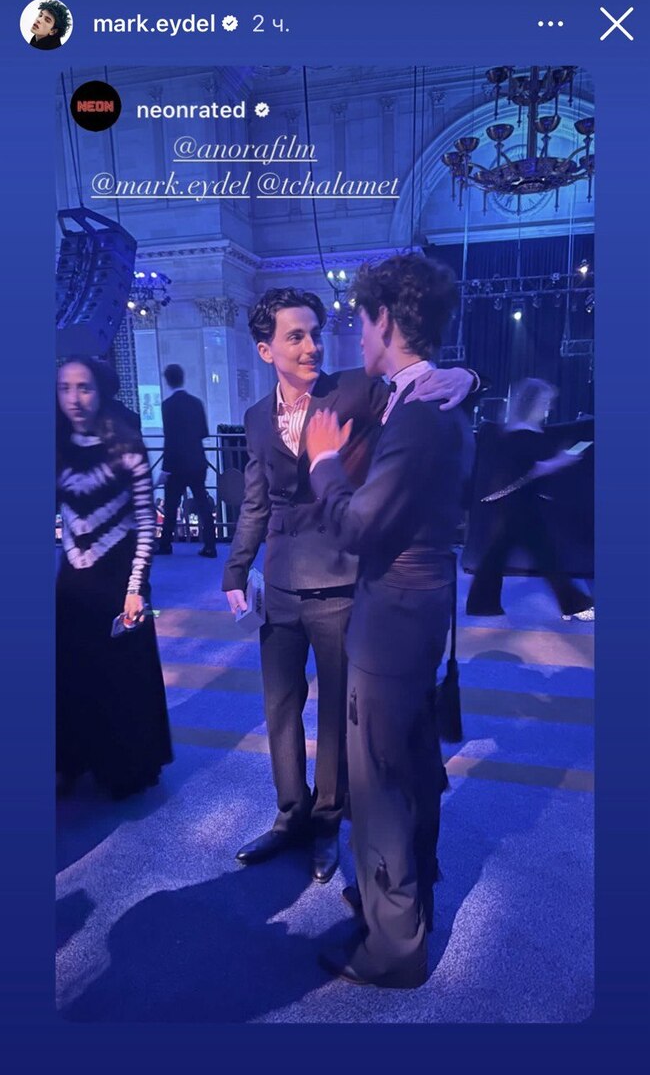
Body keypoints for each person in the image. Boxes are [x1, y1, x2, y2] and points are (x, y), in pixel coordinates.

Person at [222, 285, 479, 885]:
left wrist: (467, 377)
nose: (312, 346)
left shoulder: (355, 389)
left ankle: (327, 821)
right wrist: (236, 568)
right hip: (280, 583)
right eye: (295, 336)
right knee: (280, 708)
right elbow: (256, 503)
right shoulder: (256, 417)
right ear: (266, 350)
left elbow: (416, 391)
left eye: (315, 333)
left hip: (340, 576)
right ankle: (290, 813)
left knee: (337, 713)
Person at [304, 252, 473, 988]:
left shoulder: (420, 414)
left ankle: (395, 944)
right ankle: (401, 897)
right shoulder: (435, 399)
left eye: (360, 321)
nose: (356, 336)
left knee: (378, 780)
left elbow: (359, 526)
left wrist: (322, 464)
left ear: (384, 320)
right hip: (419, 608)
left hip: (394, 616)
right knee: (409, 763)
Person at [56, 357, 173, 800]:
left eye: (83, 387)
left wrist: (135, 587)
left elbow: (146, 522)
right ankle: (74, 759)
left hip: (118, 577)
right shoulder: (56, 445)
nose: (74, 398)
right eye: (65, 388)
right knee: (71, 672)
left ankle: (125, 766)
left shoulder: (127, 445)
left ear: (100, 391)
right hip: (72, 580)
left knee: (121, 676)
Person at [465, 377, 594, 620]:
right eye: (545, 401)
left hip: (520, 503)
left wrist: (557, 461)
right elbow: (530, 470)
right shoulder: (521, 433)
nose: (548, 407)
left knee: (506, 555)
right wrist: (560, 461)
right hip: (517, 505)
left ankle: (481, 604)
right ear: (531, 402)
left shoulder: (521, 431)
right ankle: (573, 604)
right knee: (541, 556)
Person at [156, 364, 217, 558]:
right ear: (183, 378)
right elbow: (203, 432)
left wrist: (165, 469)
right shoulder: (196, 403)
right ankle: (210, 546)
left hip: (176, 465)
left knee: (171, 505)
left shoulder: (167, 406)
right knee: (202, 503)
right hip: (197, 461)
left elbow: (170, 439)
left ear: (168, 380)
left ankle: (165, 544)